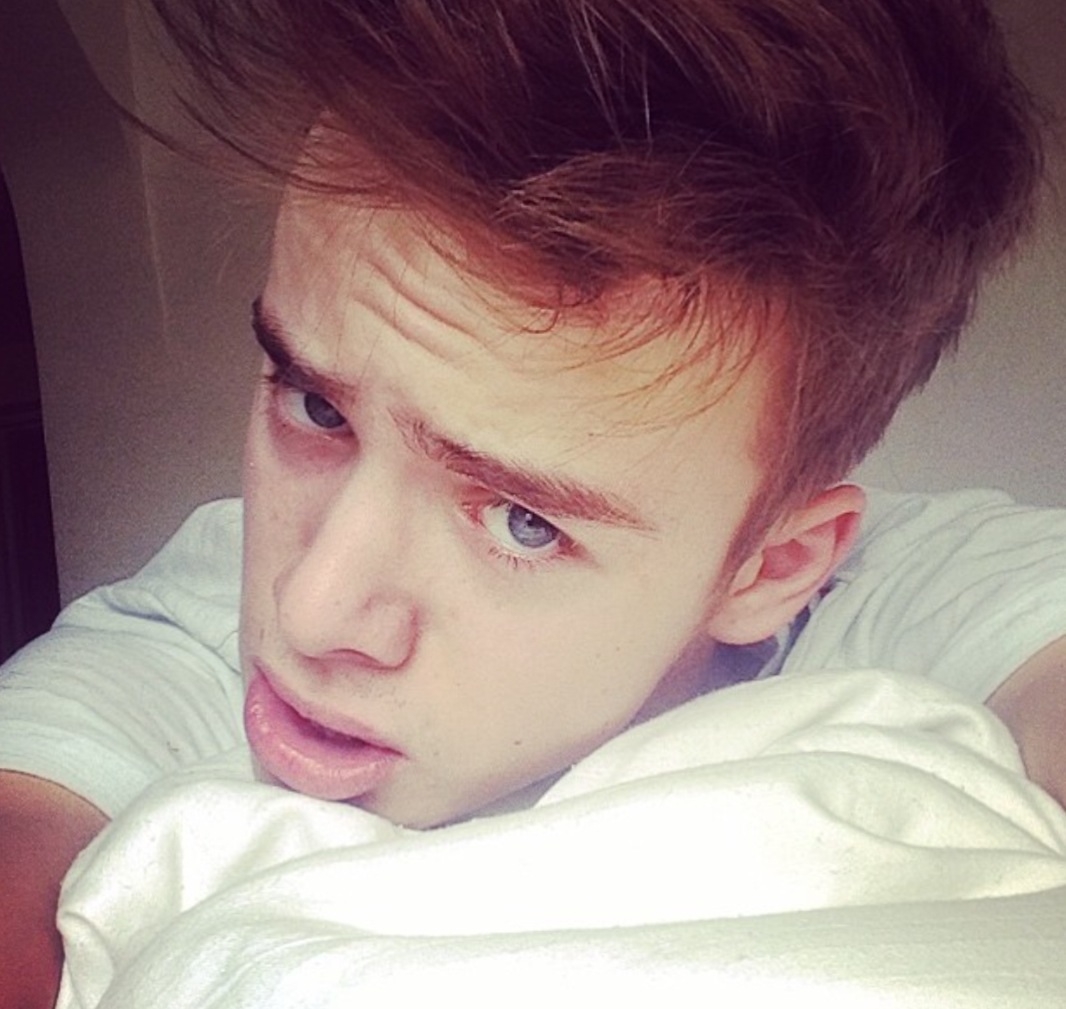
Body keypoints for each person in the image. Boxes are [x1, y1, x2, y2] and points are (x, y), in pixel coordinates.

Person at [2, 0, 1065, 1006]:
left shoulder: (921, 588)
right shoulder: (184, 601)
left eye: (523, 521)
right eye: (317, 407)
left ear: (770, 568)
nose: (310, 610)